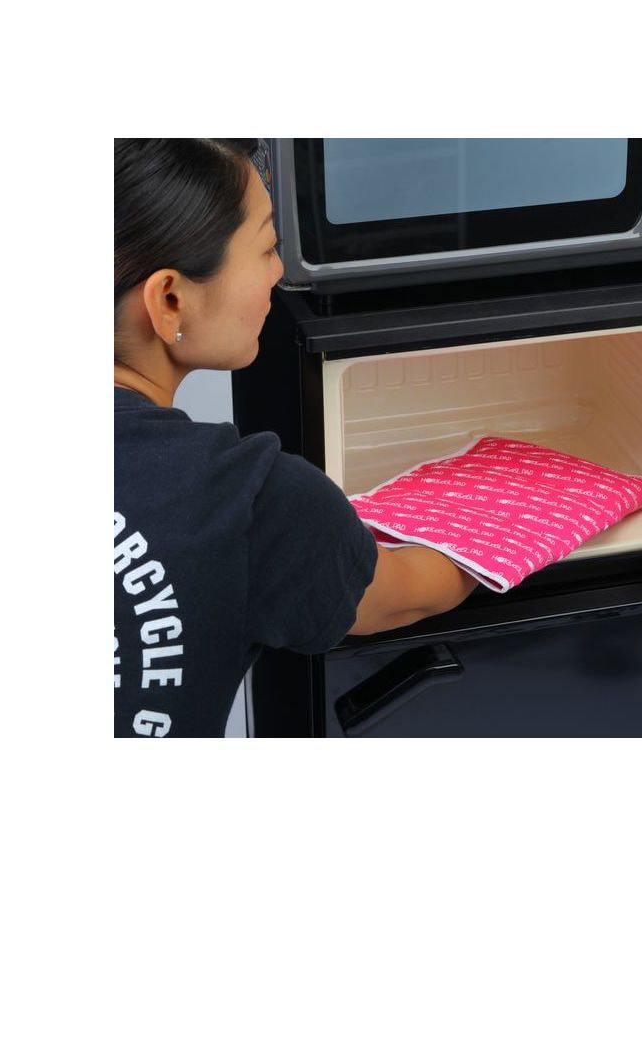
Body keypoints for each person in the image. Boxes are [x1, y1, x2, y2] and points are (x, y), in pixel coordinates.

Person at [114, 139, 477, 737]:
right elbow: (409, 593)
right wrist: (533, 519)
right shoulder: (250, 501)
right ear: (170, 299)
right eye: (267, 248)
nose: (280, 271)